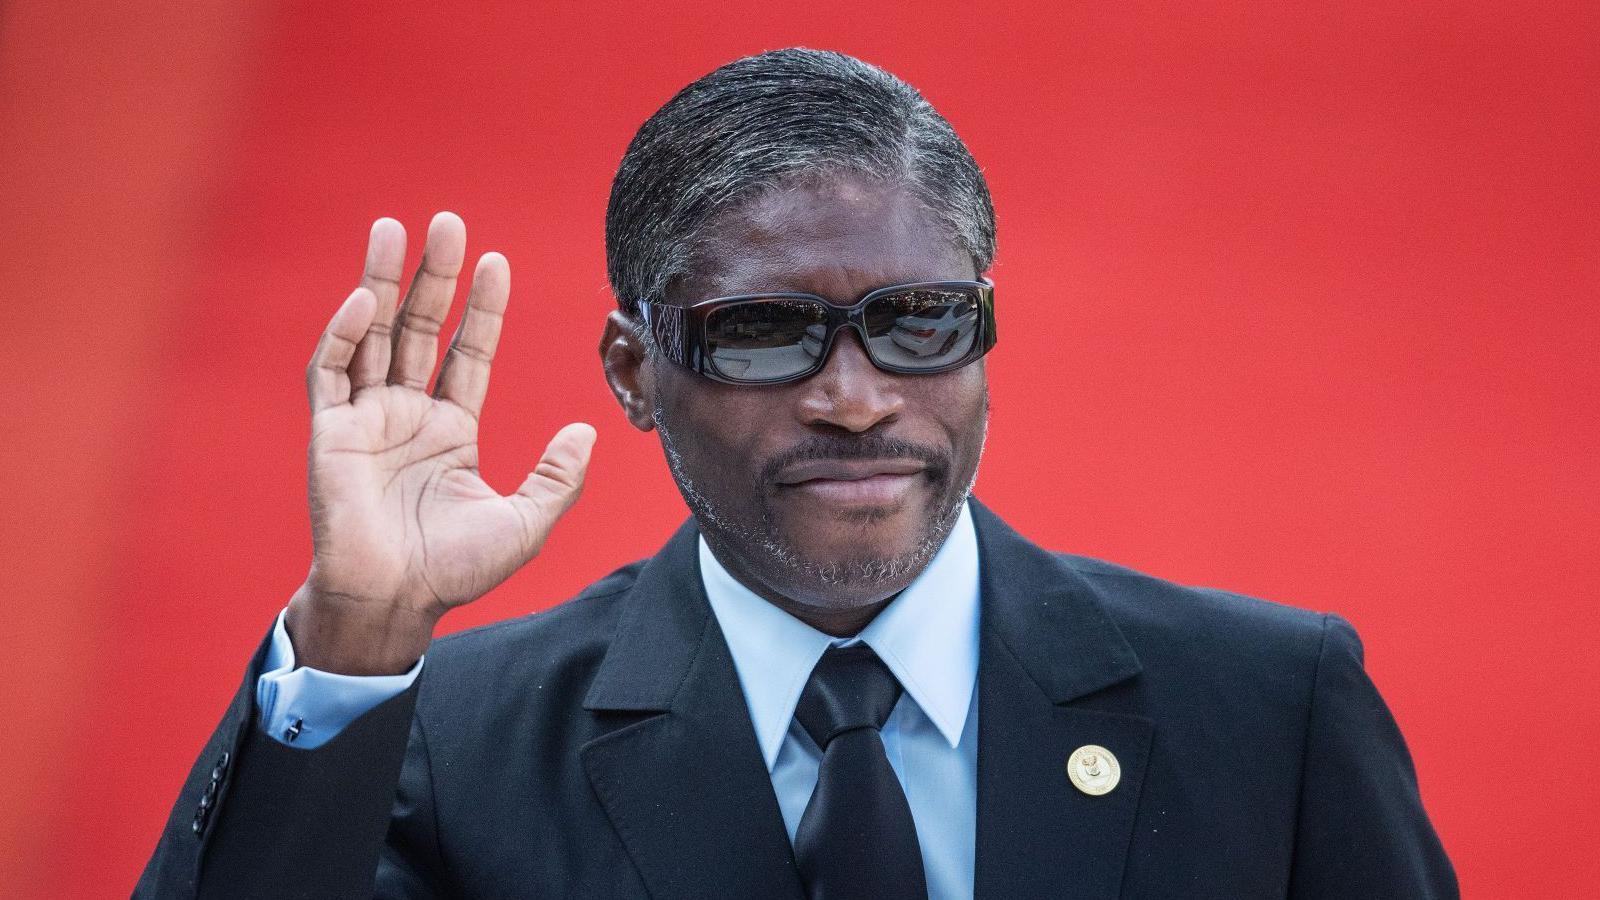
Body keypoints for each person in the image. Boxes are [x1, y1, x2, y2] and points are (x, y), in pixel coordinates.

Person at [137, 49, 1457, 899]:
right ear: (633, 370)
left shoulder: (1269, 711)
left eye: (917, 320)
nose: (856, 394)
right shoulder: (446, 744)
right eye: (765, 334)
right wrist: (361, 635)